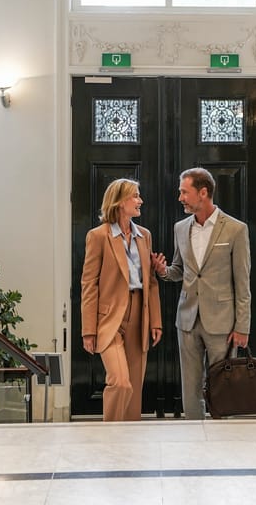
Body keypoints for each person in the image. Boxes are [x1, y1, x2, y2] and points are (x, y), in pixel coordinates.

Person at [153, 167, 251, 419]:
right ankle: (193, 432)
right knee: (190, 386)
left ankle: (221, 434)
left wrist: (242, 326)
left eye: (184, 192)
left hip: (222, 321)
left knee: (222, 385)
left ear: (203, 192)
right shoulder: (180, 228)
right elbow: (179, 270)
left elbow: (242, 283)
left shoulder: (236, 229)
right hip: (187, 319)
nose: (180, 198)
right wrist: (163, 271)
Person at [81, 178, 163, 421]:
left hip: (139, 313)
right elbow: (89, 284)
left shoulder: (144, 236)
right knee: (120, 383)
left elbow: (151, 282)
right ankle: (110, 436)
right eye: (135, 196)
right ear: (119, 202)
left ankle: (129, 440)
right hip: (109, 317)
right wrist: (88, 330)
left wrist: (155, 321)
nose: (140, 201)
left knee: (134, 390)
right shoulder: (98, 236)